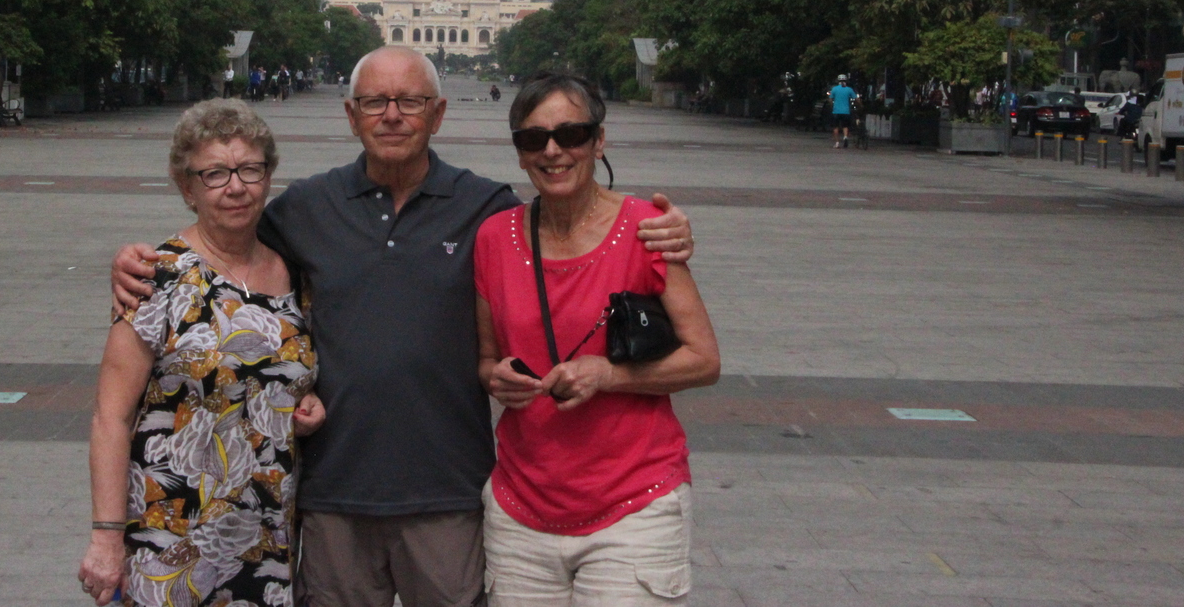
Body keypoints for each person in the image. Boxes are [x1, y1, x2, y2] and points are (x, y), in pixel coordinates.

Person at [112, 46, 697, 607]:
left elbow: (568, 230)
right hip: (335, 491)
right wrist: (142, 262)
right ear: (351, 116)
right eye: (374, 102)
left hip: (448, 491)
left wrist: (663, 227)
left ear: (437, 115)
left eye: (410, 102)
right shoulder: (306, 208)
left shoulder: (487, 209)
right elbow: (226, 249)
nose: (391, 115)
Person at [476, 72, 720, 606]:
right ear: (519, 152)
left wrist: (608, 374)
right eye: (534, 138)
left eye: (571, 134)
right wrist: (498, 379)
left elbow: (704, 360)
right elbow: (488, 359)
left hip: (635, 505)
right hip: (521, 510)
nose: (553, 151)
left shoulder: (647, 228)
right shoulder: (495, 237)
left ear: (599, 140)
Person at [80, 100, 325, 607]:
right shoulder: (158, 277)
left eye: (250, 169)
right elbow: (111, 415)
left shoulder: (293, 275)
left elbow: (278, 378)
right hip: (169, 537)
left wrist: (304, 403)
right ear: (186, 188)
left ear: (268, 176)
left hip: (265, 539)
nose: (235, 187)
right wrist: (106, 537)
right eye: (214, 174)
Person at [828, 74, 857, 148]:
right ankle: (845, 137)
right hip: (846, 111)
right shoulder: (849, 89)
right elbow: (856, 98)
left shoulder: (834, 89)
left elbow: (830, 99)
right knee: (845, 126)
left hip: (836, 111)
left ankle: (837, 143)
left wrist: (832, 106)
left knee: (835, 127)